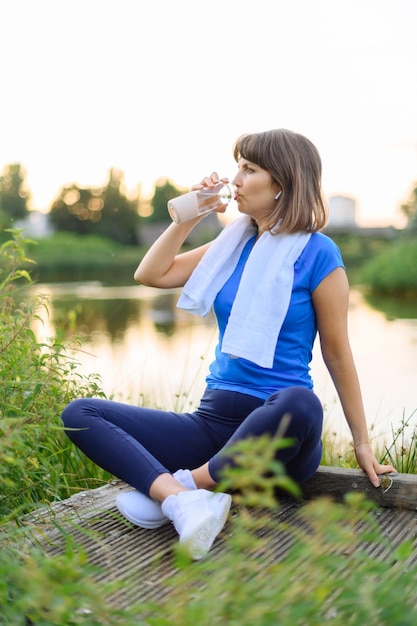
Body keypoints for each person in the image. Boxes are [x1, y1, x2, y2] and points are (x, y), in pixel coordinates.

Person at [61, 129, 395, 560]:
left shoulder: (319, 254)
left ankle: (183, 488)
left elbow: (336, 353)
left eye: (249, 169)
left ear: (282, 183)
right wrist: (187, 219)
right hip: (214, 424)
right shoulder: (230, 245)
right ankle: (182, 499)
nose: (236, 178)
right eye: (239, 166)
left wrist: (362, 444)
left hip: (280, 435)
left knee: (300, 401)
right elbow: (152, 274)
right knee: (80, 414)